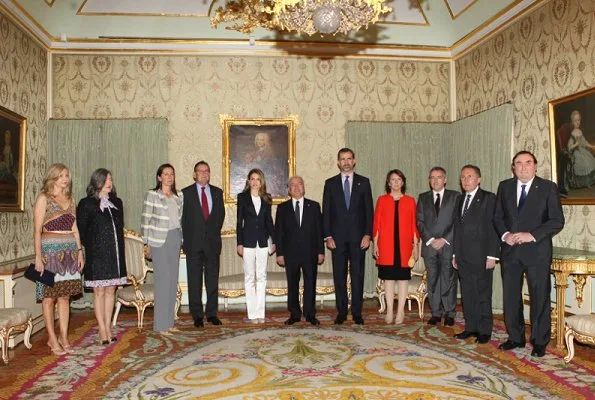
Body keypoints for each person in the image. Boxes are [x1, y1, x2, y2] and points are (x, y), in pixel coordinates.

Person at [494, 151, 564, 357]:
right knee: (511, 296)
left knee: (539, 297)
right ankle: (515, 337)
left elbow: (556, 221)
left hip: (537, 252)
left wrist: (531, 235)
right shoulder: (504, 187)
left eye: (528, 163)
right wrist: (505, 235)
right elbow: (497, 217)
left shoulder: (548, 188)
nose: (523, 167)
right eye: (519, 163)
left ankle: (540, 341)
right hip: (510, 252)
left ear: (535, 166)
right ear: (513, 167)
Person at [33, 163, 84, 355]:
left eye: (67, 175)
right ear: (53, 177)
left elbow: (75, 228)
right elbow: (37, 231)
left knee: (64, 296)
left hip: (70, 252)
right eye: (62, 175)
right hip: (49, 252)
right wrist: (38, 257)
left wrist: (80, 251)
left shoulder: (71, 199)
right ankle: (52, 338)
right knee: (49, 297)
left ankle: (63, 336)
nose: (66, 179)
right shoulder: (44, 198)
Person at [322, 148, 373, 325]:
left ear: (354, 161)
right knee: (339, 276)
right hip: (337, 239)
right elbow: (326, 212)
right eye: (342, 159)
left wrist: (368, 234)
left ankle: (357, 312)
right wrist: (328, 236)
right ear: (338, 162)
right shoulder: (330, 184)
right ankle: (342, 312)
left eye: (349, 159)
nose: (346, 162)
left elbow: (369, 211)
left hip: (359, 239)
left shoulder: (364, 183)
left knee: (358, 275)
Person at [77, 169, 127, 344]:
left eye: (110, 178)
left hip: (114, 254)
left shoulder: (117, 202)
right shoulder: (86, 203)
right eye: (106, 179)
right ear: (97, 181)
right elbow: (81, 231)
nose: (109, 182)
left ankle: (108, 326)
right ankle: (102, 329)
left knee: (110, 290)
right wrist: (94, 245)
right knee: (99, 291)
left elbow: (120, 229)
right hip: (97, 254)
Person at [452, 165, 499, 344]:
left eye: (470, 176)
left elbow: (493, 228)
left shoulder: (488, 198)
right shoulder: (459, 199)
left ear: (478, 179)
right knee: (468, 293)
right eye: (463, 177)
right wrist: (455, 254)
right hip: (463, 256)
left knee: (482, 294)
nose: (465, 180)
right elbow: (457, 229)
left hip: (482, 256)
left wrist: (492, 256)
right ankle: (471, 327)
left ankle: (484, 331)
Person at [275, 176, 324, 326]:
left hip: (310, 253)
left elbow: (319, 231)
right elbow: (279, 233)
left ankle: (310, 314)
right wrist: (280, 253)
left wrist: (321, 251)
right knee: (292, 284)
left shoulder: (314, 206)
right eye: (293, 185)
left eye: (299, 184)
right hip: (290, 254)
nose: (296, 187)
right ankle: (294, 314)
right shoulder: (282, 208)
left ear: (304, 187)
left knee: (310, 283)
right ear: (289, 190)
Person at [373, 169, 420, 325]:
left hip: (404, 246)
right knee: (388, 279)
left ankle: (400, 312)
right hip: (386, 245)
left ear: (403, 182)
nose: (396, 182)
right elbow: (377, 225)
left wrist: (416, 246)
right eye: (393, 180)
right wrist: (375, 244)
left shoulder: (410, 201)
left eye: (399, 179)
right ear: (388, 182)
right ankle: (389, 311)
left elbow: (414, 225)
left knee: (402, 280)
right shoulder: (382, 200)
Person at [181, 161, 225, 328]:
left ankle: (212, 314)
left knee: (212, 280)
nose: (204, 174)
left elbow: (219, 217)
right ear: (194, 174)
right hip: (193, 244)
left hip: (212, 245)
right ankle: (197, 315)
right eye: (200, 171)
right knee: (194, 281)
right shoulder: (185, 193)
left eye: (207, 171)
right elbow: (183, 219)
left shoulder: (217, 193)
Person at [141, 164, 183, 335]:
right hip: (158, 240)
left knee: (173, 281)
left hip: (175, 238)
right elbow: (145, 220)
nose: (169, 177)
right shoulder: (152, 195)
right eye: (165, 174)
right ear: (159, 177)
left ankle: (170, 322)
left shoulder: (179, 196)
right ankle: (160, 324)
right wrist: (146, 243)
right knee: (162, 281)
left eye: (171, 174)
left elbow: (180, 219)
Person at [416, 167, 460, 326]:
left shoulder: (455, 196)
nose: (435, 180)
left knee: (448, 279)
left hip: (448, 245)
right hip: (430, 247)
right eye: (432, 177)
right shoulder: (423, 197)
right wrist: (430, 240)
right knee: (432, 280)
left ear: (445, 179)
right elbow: (419, 221)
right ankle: (435, 312)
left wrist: (444, 239)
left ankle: (449, 312)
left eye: (439, 177)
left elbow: (458, 221)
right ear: (429, 180)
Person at [236, 168, 275, 323]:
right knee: (250, 277)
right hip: (248, 242)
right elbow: (239, 223)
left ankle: (260, 313)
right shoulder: (242, 197)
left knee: (262, 277)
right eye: (252, 179)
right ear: (248, 181)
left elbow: (269, 222)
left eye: (257, 179)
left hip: (263, 241)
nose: (254, 182)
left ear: (261, 182)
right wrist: (239, 243)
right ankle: (252, 313)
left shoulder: (267, 198)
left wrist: (275, 240)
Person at [567, 110, 595, 188]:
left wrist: (591, 146)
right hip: (576, 153)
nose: (577, 122)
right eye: (575, 121)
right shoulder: (573, 133)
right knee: (585, 164)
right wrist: (575, 144)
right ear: (572, 122)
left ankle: (590, 181)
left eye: (578, 120)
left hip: (582, 151)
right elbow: (569, 147)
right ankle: (585, 183)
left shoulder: (580, 131)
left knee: (591, 160)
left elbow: (584, 142)